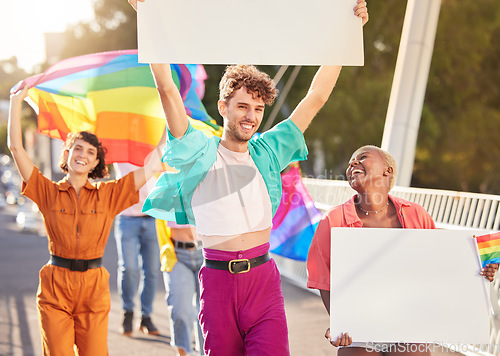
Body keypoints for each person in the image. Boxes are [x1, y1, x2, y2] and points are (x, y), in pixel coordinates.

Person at [129, 1, 368, 354]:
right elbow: (167, 89)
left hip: (263, 282)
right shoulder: (198, 150)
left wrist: (348, 33)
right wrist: (146, 20)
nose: (251, 116)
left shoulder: (268, 150)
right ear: (223, 106)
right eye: (242, 106)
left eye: (258, 109)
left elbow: (315, 97)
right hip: (217, 283)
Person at [8, 84, 164, 355]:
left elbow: (152, 165)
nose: (82, 155)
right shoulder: (48, 192)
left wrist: (166, 110)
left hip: (94, 287)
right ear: (67, 154)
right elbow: (15, 148)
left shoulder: (109, 194)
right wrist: (16, 100)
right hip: (55, 288)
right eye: (77, 149)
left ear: (96, 164)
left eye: (90, 153)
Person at [306, 145, 499, 354]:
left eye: (362, 157)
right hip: (359, 326)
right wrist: (340, 323)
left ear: (387, 171)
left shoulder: (416, 213)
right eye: (350, 161)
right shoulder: (333, 219)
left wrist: (478, 274)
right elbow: (323, 279)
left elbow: (439, 264)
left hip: (409, 324)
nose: (353, 163)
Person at [113, 162, 161, 336]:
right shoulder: (123, 147)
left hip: (153, 216)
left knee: (152, 271)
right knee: (129, 268)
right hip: (127, 218)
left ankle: (146, 316)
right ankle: (127, 312)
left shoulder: (153, 146)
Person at [156, 221, 204, 356]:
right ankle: (184, 352)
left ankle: (205, 353)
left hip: (207, 251)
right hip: (176, 253)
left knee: (207, 312)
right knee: (179, 309)